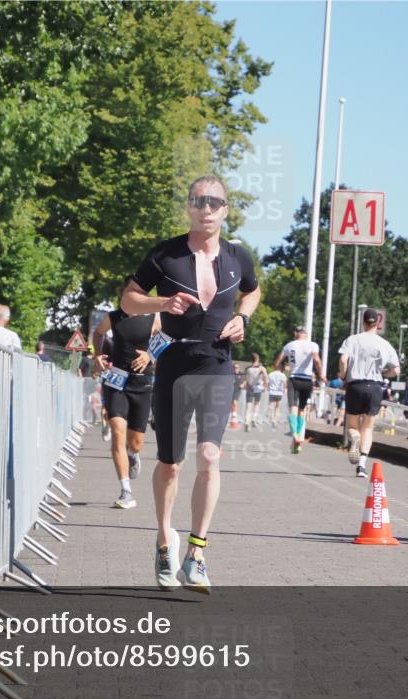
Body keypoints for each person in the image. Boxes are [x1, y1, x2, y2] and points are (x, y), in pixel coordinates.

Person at [121, 175, 260, 593]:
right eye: (199, 200)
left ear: (226, 209)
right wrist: (162, 303)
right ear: (189, 206)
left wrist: (243, 319)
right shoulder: (166, 254)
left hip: (218, 364)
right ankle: (165, 540)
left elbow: (252, 293)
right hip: (175, 363)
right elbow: (128, 300)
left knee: (210, 456)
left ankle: (196, 552)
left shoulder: (238, 257)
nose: (207, 207)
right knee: (171, 461)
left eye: (215, 201)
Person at [92, 278, 161, 510]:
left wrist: (150, 356)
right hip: (116, 381)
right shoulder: (114, 317)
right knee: (117, 431)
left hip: (142, 384)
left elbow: (169, 339)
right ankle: (125, 491)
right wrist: (97, 355)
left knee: (136, 442)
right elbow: (98, 333)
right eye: (126, 295)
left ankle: (134, 454)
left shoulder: (154, 318)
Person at [338, 307, 401, 478]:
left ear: (363, 322)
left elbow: (343, 359)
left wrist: (344, 375)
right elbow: (396, 370)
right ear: (378, 323)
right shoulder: (384, 344)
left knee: (352, 426)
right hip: (374, 387)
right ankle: (362, 466)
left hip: (355, 385)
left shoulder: (352, 340)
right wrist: (383, 374)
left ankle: (355, 438)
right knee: (368, 427)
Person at [274, 326, 325, 454]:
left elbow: (277, 362)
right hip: (307, 380)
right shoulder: (313, 345)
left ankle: (295, 435)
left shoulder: (289, 345)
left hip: (293, 379)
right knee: (302, 410)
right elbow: (317, 360)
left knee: (293, 408)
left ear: (296, 334)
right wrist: (321, 374)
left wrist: (280, 368)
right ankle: (298, 440)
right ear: (306, 334)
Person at [243, 354, 269, 431]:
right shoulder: (261, 368)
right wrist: (265, 385)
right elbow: (266, 377)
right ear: (257, 359)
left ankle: (247, 421)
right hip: (258, 387)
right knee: (257, 404)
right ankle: (254, 418)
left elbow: (246, 379)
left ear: (251, 360)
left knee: (248, 404)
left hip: (250, 387)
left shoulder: (247, 368)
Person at [267, 362, 287, 428]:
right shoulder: (283, 375)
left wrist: (268, 388)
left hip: (272, 392)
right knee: (277, 407)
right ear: (280, 368)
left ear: (275, 367)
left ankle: (271, 417)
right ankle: (275, 420)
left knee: (271, 405)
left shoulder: (270, 374)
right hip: (279, 392)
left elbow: (268, 383)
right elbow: (284, 384)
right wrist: (284, 390)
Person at [230, 363, 245, 427]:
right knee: (231, 404)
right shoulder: (230, 374)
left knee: (235, 402)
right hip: (230, 390)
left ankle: (234, 415)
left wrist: (243, 384)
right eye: (234, 367)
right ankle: (232, 416)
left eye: (237, 367)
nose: (236, 369)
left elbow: (245, 380)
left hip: (237, 390)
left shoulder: (241, 374)